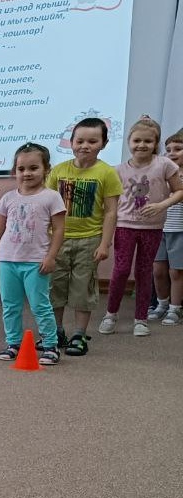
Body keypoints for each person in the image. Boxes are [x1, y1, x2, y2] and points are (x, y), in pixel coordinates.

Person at [98, 116, 183, 337]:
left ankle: (140, 319)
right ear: (129, 142)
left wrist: (161, 205)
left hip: (153, 228)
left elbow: (179, 191)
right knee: (121, 269)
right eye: (137, 140)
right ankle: (111, 314)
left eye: (148, 141)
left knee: (144, 271)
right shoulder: (118, 170)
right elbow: (111, 204)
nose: (142, 145)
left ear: (155, 143)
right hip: (125, 226)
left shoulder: (164, 164)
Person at [45, 117, 122, 356]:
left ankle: (79, 334)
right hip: (57, 239)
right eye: (79, 140)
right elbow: (46, 206)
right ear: (71, 142)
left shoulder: (106, 173)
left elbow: (110, 212)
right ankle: (56, 331)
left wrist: (104, 244)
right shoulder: (58, 171)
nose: (85, 145)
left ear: (104, 144)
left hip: (89, 239)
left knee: (82, 288)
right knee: (55, 286)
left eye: (92, 141)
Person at [0, 143, 66, 366]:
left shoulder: (51, 197)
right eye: (21, 169)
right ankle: (14, 343)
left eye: (33, 168)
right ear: (15, 171)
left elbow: (59, 229)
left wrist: (51, 257)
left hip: (35, 261)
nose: (27, 173)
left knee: (40, 304)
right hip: (7, 260)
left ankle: (50, 345)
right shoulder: (8, 198)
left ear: (46, 169)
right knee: (10, 305)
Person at [148, 129, 183, 324]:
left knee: (176, 271)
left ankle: (175, 308)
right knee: (158, 270)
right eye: (168, 149)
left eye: (178, 149)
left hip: (180, 230)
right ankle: (161, 304)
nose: (172, 153)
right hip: (158, 228)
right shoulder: (162, 175)